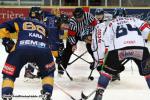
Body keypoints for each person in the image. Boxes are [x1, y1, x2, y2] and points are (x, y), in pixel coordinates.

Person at [93, 8, 150, 100]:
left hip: (119, 50)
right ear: (125, 15)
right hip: (140, 49)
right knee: (149, 73)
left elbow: (106, 41)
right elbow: (147, 29)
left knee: (106, 73)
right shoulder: (134, 19)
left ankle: (99, 93)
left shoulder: (112, 23)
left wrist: (107, 56)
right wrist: (141, 40)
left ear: (115, 15)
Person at [0, 7, 55, 100]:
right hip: (43, 50)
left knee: (9, 74)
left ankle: (6, 93)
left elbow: (2, 27)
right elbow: (50, 44)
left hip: (21, 49)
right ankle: (47, 92)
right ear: (41, 16)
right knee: (48, 73)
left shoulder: (20, 20)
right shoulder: (45, 27)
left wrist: (6, 41)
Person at [24, 8, 64, 79]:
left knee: (38, 54)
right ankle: (35, 70)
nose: (34, 19)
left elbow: (60, 30)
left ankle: (37, 70)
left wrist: (60, 42)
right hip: (46, 41)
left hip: (50, 42)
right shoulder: (45, 17)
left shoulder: (52, 18)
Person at [58, 7, 97, 76]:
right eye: (77, 17)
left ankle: (96, 61)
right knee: (68, 49)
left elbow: (95, 27)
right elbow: (71, 35)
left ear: (83, 14)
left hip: (87, 33)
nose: (78, 19)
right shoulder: (72, 22)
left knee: (91, 47)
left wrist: (90, 36)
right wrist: (73, 44)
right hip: (76, 34)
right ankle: (62, 67)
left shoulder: (89, 16)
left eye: (80, 17)